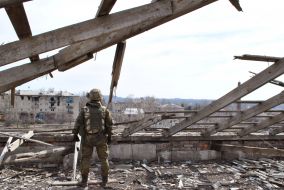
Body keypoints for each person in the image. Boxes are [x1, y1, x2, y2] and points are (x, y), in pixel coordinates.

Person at [72, 88, 113, 187]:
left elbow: (77, 123)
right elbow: (109, 125)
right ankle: (104, 181)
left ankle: (84, 181)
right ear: (100, 98)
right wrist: (110, 136)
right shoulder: (105, 110)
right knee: (104, 159)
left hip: (87, 139)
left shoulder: (84, 110)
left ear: (90, 97)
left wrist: (74, 135)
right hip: (101, 139)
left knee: (85, 159)